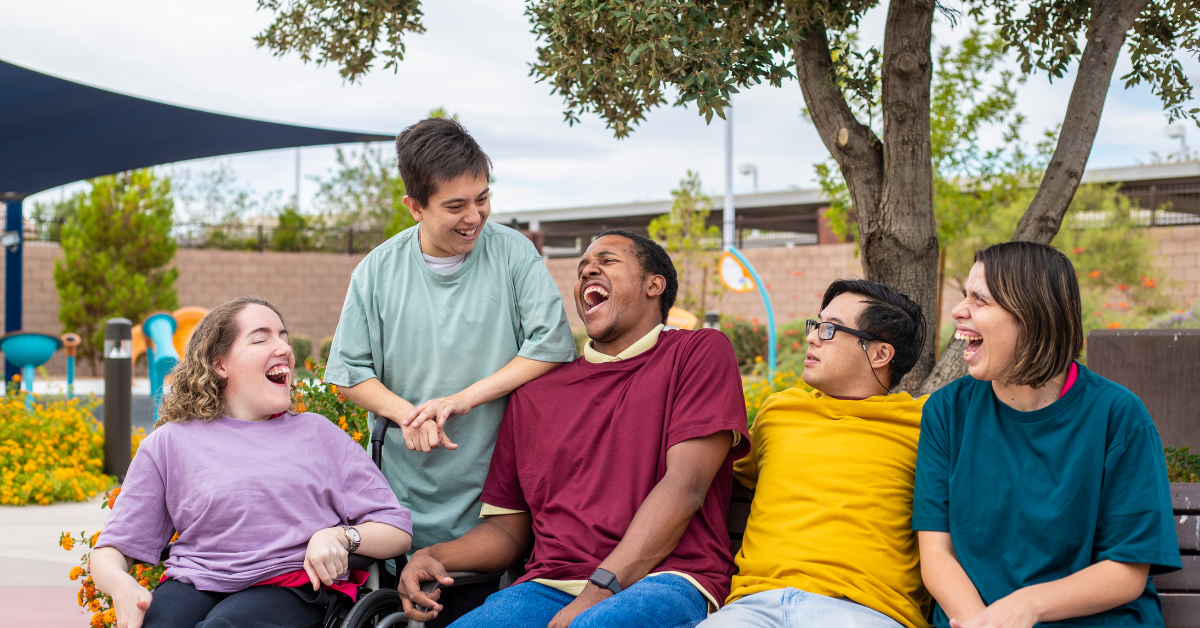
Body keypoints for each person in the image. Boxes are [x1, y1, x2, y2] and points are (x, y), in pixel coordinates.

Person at [397, 230, 750, 628]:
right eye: (582, 269)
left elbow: (684, 488)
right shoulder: (535, 393)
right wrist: (437, 556)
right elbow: (509, 531)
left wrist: (594, 597)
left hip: (668, 578)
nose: (588, 271)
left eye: (608, 261)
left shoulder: (698, 353)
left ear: (654, 285)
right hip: (547, 586)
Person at [323, 117, 577, 623]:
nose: (474, 217)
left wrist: (462, 399)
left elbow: (552, 345)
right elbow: (347, 372)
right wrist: (406, 415)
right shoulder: (376, 270)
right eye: (455, 206)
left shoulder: (512, 252)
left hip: (495, 498)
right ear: (414, 207)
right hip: (403, 498)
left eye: (482, 198)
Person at [91, 297, 413, 628]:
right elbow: (111, 549)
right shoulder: (169, 443)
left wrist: (341, 537)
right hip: (196, 583)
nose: (284, 349)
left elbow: (397, 528)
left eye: (284, 338)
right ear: (219, 364)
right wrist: (120, 584)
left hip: (293, 585)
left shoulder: (318, 435)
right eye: (261, 338)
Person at [914, 241, 1181, 628]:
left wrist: (1028, 606)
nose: (958, 310)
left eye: (980, 300)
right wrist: (982, 623)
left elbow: (1127, 570)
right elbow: (937, 554)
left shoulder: (1118, 415)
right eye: (963, 296)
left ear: (1032, 315)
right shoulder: (946, 412)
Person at [698, 279, 930, 628]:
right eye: (816, 324)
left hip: (864, 611)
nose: (811, 337)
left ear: (881, 354)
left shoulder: (926, 424)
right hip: (752, 607)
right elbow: (711, 477)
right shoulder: (779, 411)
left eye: (830, 329)